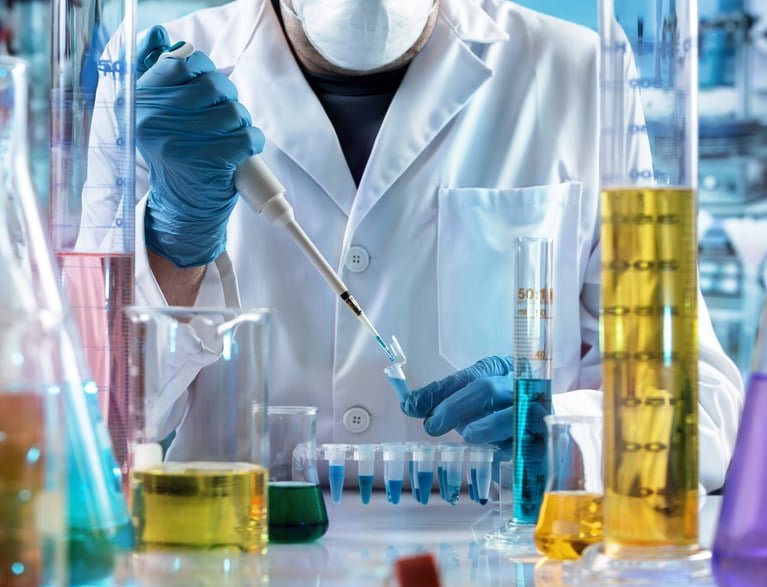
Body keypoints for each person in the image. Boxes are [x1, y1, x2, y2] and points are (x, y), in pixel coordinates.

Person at [85, 0, 743, 492]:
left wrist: (567, 439)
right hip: (231, 573)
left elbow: (699, 406)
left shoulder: (577, 68)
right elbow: (95, 425)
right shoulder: (163, 79)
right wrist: (175, 241)